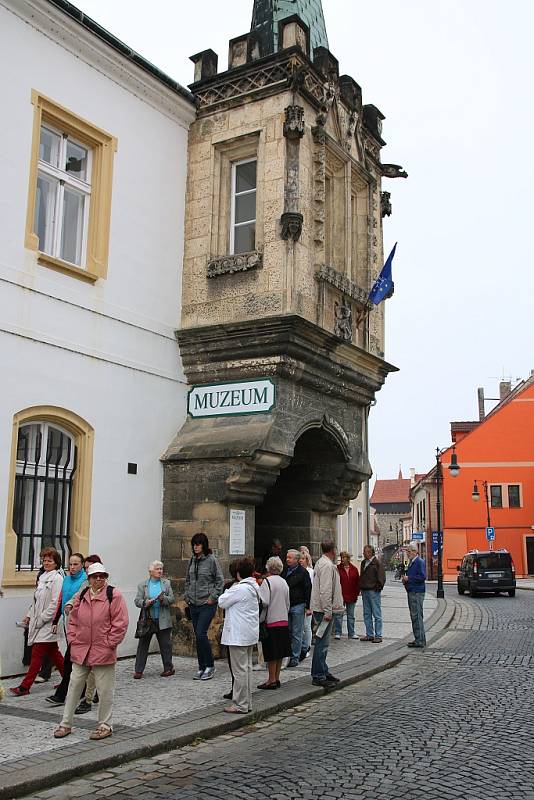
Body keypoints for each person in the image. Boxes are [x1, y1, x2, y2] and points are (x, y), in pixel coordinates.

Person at [53, 562, 129, 741]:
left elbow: (120, 623)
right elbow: (72, 619)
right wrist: (73, 639)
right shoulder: (83, 594)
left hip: (103, 650)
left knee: (104, 690)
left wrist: (110, 643)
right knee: (73, 687)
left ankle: (105, 725)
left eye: (102, 576)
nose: (99, 579)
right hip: (81, 649)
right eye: (95, 576)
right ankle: (65, 723)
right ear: (89, 579)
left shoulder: (114, 594)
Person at [10, 547, 64, 696]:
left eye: (49, 560)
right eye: (44, 560)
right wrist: (29, 615)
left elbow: (55, 603)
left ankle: (25, 686)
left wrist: (42, 619)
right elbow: (36, 601)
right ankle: (69, 679)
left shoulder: (57, 579)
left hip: (49, 622)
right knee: (55, 654)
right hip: (39, 621)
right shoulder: (42, 577)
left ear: (56, 562)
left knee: (37, 653)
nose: (46, 562)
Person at [218, 556, 259, 714]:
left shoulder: (240, 588)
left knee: (240, 671)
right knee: (246, 669)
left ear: (238, 574)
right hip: (248, 633)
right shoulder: (253, 586)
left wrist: (229, 589)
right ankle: (246, 702)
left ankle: (240, 704)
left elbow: (222, 601)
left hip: (238, 635)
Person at [46, 553, 87, 705]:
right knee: (75, 659)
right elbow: (61, 601)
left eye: (76, 564)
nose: (72, 567)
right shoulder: (66, 579)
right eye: (70, 564)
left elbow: (78, 598)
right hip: (67, 622)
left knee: (71, 658)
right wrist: (56, 619)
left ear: (82, 565)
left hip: (80, 624)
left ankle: (62, 694)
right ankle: (84, 689)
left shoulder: (85, 580)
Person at [64, 553, 102, 714]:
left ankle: (89, 699)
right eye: (85, 568)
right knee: (83, 670)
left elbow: (118, 618)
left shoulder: (109, 590)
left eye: (89, 568)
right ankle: (81, 700)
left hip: (100, 637)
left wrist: (111, 638)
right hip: (84, 635)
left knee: (95, 671)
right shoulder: (85, 585)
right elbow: (76, 597)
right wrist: (69, 604)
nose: (87, 571)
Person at [184, 533, 224, 681]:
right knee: (198, 635)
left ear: (204, 545)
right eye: (194, 544)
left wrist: (212, 598)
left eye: (198, 544)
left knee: (201, 633)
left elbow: (220, 581)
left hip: (207, 604)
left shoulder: (211, 560)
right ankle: (201, 666)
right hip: (193, 603)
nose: (195, 547)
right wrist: (187, 595)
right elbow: (187, 579)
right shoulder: (192, 560)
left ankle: (210, 665)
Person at [310, 538, 344, 689]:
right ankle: (318, 675)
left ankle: (323, 670)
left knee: (323, 642)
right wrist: (328, 610)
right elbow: (325, 590)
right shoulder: (327, 565)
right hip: (324, 610)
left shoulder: (322, 563)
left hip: (322, 608)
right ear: (333, 550)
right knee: (322, 644)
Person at [133, 560, 175, 678]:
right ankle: (138, 670)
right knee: (143, 645)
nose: (160, 571)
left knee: (165, 645)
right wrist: (146, 602)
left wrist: (163, 599)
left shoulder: (166, 583)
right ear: (150, 571)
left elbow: (172, 599)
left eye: (161, 569)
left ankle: (168, 668)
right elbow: (137, 601)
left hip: (162, 619)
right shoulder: (143, 585)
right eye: (157, 569)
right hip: (148, 620)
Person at [257, 556, 290, 689]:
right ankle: (276, 678)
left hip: (271, 620)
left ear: (269, 567)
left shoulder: (267, 582)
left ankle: (271, 680)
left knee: (271, 653)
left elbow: (264, 601)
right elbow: (288, 603)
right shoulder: (284, 582)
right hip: (283, 620)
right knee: (280, 652)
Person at [282, 549, 311, 667]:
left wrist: (308, 606)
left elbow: (308, 589)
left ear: (296, 560)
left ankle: (295, 656)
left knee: (296, 632)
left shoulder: (303, 572)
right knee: (287, 631)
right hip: (286, 604)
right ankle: (288, 655)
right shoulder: (284, 571)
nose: (287, 559)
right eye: (287, 557)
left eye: (290, 557)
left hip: (298, 604)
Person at [359, 545, 386, 643]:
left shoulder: (377, 563)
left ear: (370, 553)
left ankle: (378, 635)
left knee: (376, 614)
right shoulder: (363, 563)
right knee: (367, 614)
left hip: (373, 591)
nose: (363, 553)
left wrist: (377, 588)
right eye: (363, 551)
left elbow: (382, 577)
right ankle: (369, 634)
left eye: (365, 552)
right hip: (365, 590)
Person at [402, 542, 427, 648]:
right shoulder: (412, 562)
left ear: (414, 551)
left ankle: (420, 640)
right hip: (412, 591)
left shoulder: (419, 562)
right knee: (414, 616)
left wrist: (409, 579)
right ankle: (418, 638)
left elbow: (422, 577)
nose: (407, 553)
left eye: (409, 551)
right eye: (407, 551)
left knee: (417, 616)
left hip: (417, 592)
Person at [334, 551, 360, 640]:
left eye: (344, 557)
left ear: (348, 558)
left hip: (352, 595)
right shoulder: (337, 569)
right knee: (338, 614)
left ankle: (351, 633)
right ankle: (338, 632)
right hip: (340, 595)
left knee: (351, 615)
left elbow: (357, 582)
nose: (342, 559)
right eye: (341, 557)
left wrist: (357, 593)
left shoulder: (354, 569)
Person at [299, 550, 314, 659]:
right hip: (300, 602)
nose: (301, 561)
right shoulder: (298, 571)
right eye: (300, 559)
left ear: (307, 560)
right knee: (301, 627)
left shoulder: (310, 572)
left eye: (303, 559)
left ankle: (307, 646)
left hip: (309, 601)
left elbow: (311, 588)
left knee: (307, 626)